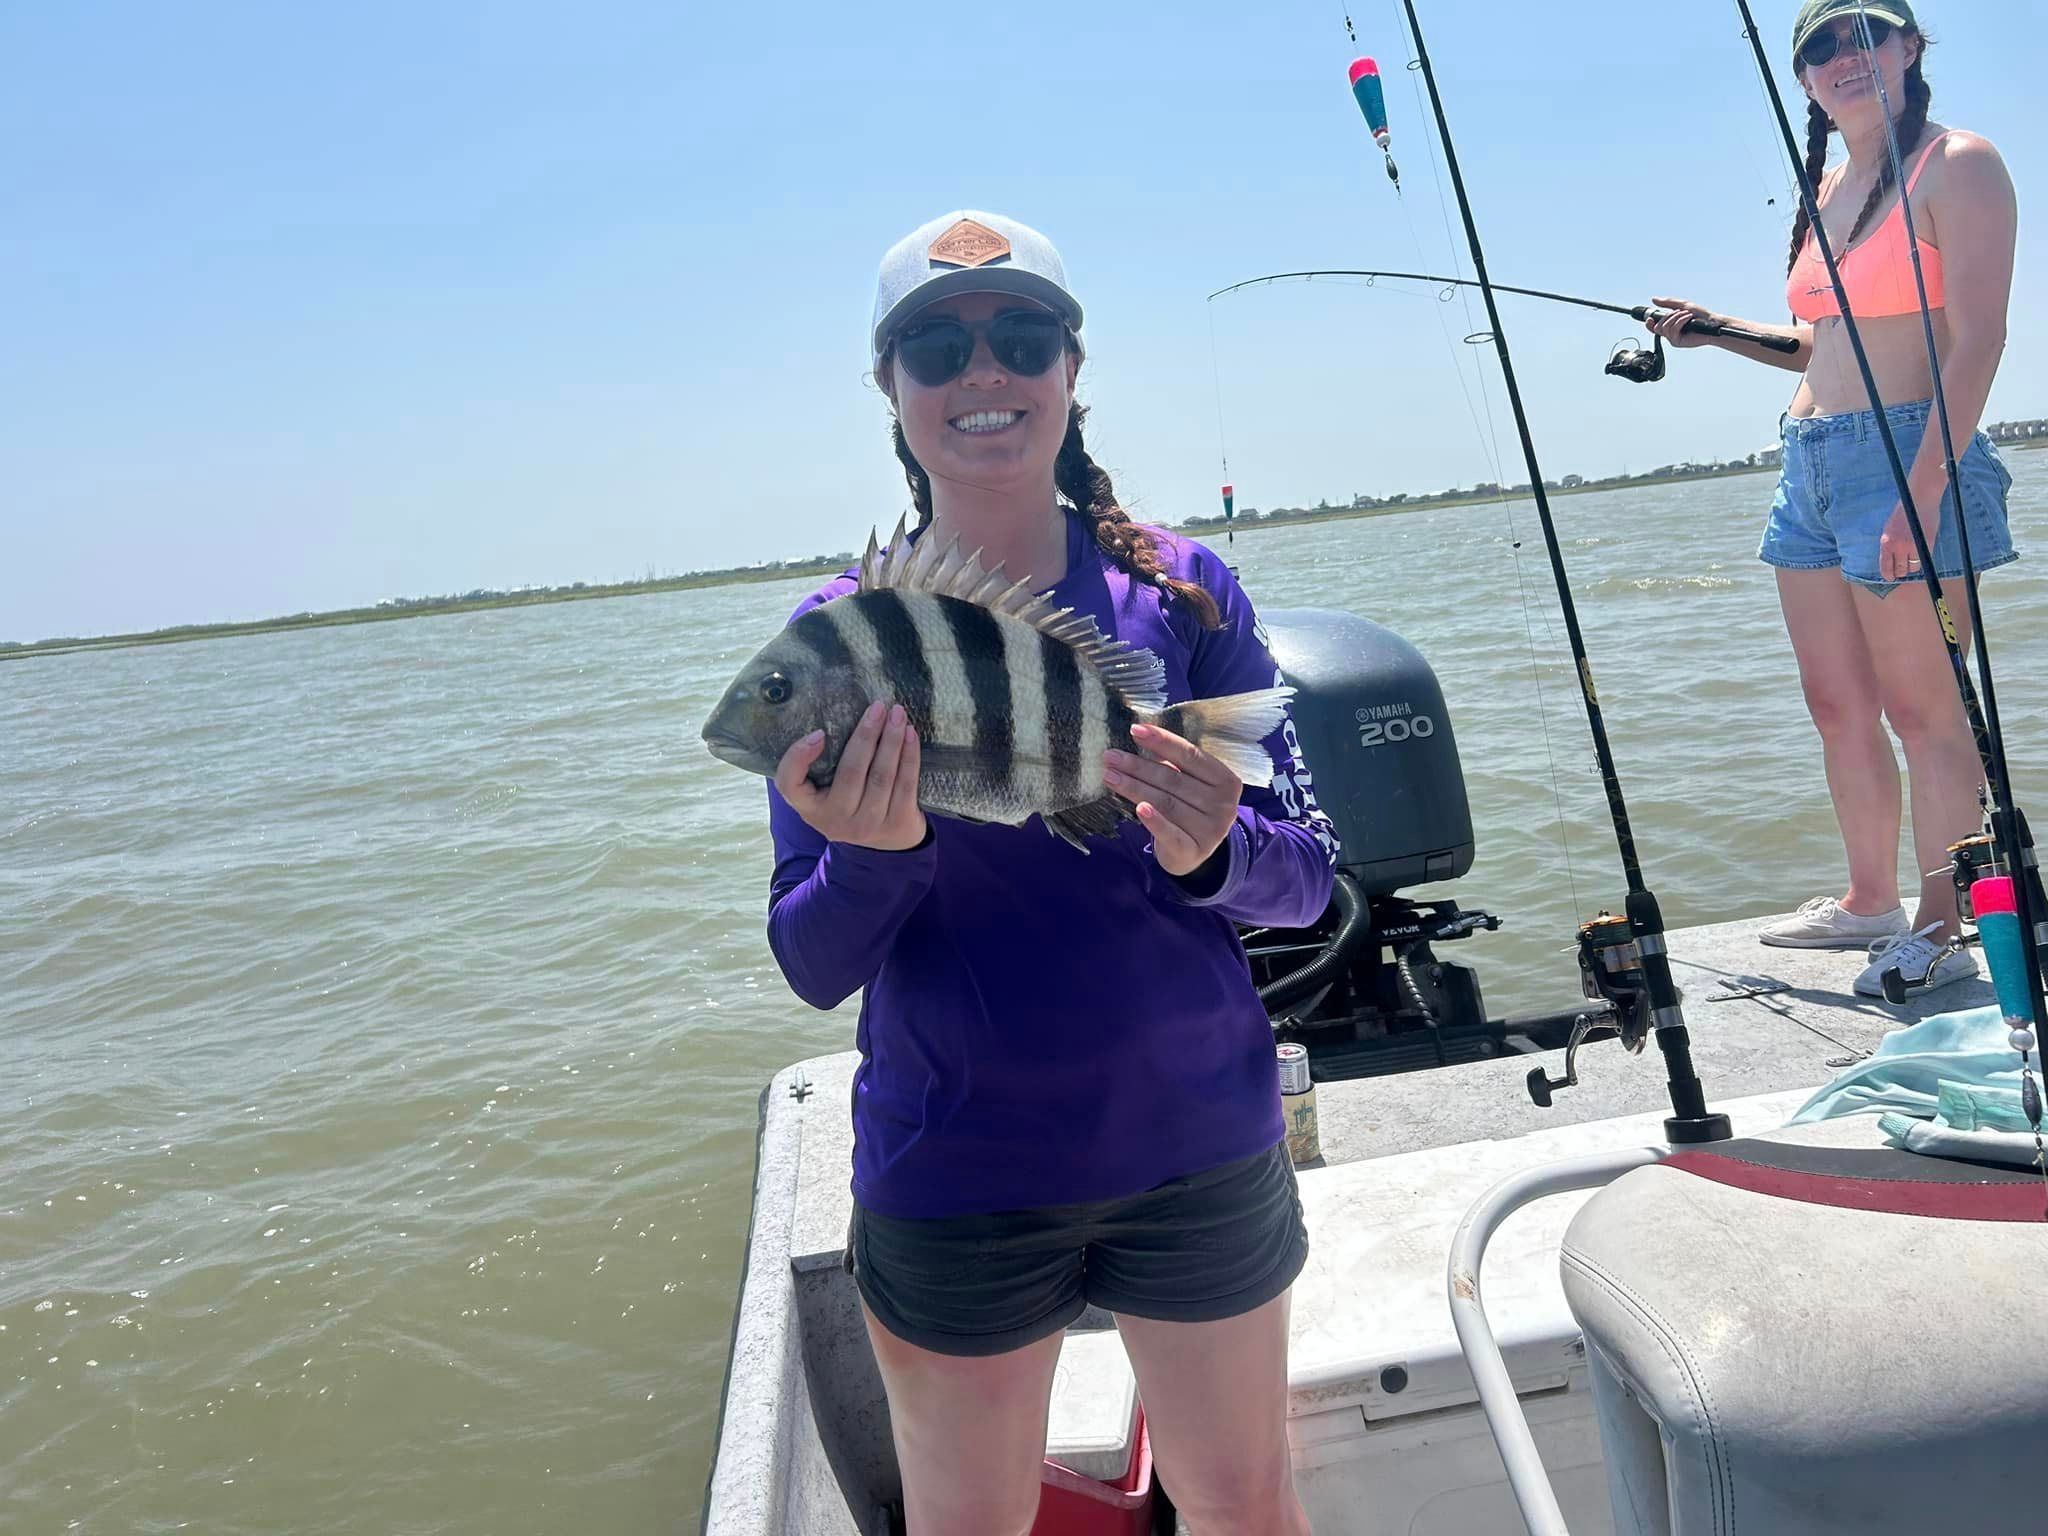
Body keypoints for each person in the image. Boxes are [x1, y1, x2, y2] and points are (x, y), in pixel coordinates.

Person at [759, 209, 1337, 1536]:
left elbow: (1307, 880)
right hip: (956, 1161)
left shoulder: (1185, 596)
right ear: (888, 389)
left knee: (1247, 1502)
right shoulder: (837, 639)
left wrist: (1214, 851)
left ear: (1072, 368)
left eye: (1022, 337)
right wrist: (874, 857)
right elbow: (811, 961)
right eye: (936, 347)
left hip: (1197, 1141)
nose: (984, 373)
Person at [1646, 0, 2018, 998]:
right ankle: (1869, 902)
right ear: (1803, 77)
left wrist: (1926, 483)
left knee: (1922, 711)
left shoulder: (1959, 163)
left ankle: (1941, 926)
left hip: (1907, 455)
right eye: (1818, 47)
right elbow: (1819, 345)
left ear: (1907, 47)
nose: (1841, 59)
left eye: (1863, 37)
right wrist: (1716, 329)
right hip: (1807, 464)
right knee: (1836, 706)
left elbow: (1977, 337)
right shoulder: (1824, 188)